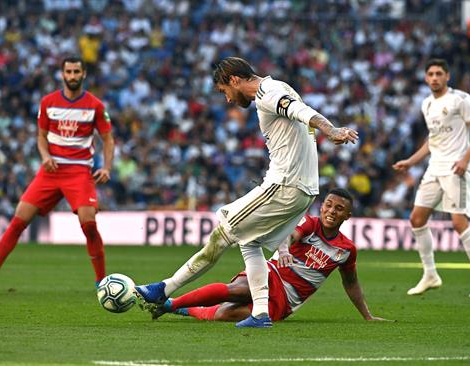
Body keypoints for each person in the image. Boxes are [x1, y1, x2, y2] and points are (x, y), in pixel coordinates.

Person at [135, 56, 358, 328]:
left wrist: (330, 130)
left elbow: (302, 112)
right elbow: (300, 110)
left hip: (283, 185)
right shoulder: (279, 86)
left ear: (234, 80)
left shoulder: (267, 93)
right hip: (304, 191)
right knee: (249, 241)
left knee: (223, 232)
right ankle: (261, 313)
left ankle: (164, 288)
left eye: (224, 91)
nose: (228, 99)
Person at [0, 56, 115, 294]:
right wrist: (45, 156)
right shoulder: (48, 102)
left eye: (77, 71)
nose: (73, 76)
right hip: (51, 171)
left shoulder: (95, 106)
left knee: (88, 224)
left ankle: (101, 282)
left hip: (79, 172)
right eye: (69, 72)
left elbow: (108, 139)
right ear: (62, 74)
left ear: (84, 74)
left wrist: (107, 167)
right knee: (18, 220)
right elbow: (41, 136)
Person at [141, 189, 391, 323]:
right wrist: (283, 249)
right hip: (272, 275)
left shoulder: (346, 250)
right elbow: (292, 234)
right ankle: (171, 303)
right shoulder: (310, 224)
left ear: (347, 216)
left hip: (287, 300)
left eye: (339, 209)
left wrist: (367, 315)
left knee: (224, 314)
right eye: (328, 205)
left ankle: (180, 309)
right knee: (239, 289)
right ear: (322, 206)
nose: (331, 211)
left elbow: (351, 283)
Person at [393, 58, 470, 298]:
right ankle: (430, 274)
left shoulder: (461, 99)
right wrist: (411, 161)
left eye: (439, 73)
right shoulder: (427, 104)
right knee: (417, 219)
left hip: (455, 168)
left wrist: (465, 159)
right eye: (430, 74)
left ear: (447, 76)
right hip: (434, 168)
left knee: (458, 222)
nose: (435, 77)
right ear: (426, 78)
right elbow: (432, 140)